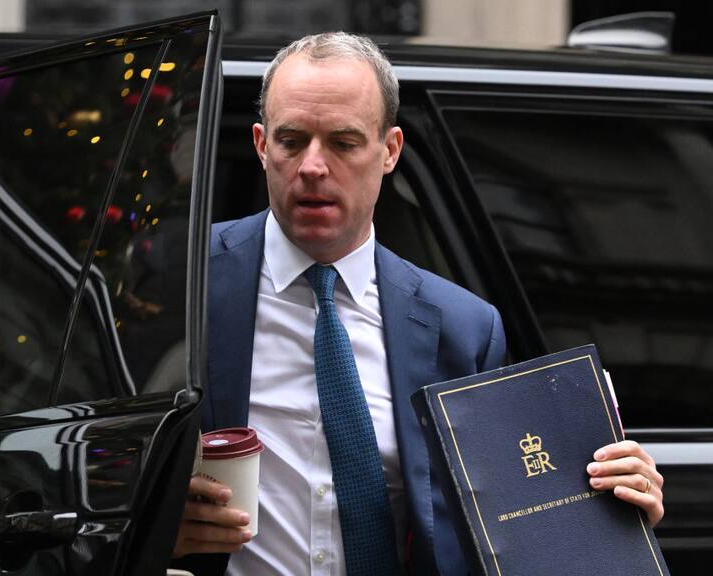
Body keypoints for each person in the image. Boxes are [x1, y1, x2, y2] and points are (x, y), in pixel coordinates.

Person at [172, 32, 665, 575]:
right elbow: (84, 468)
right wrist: (152, 530)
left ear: (389, 152)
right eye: (293, 141)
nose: (312, 166)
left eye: (342, 142)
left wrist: (612, 507)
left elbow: (508, 526)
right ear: (263, 146)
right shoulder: (182, 282)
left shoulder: (465, 328)